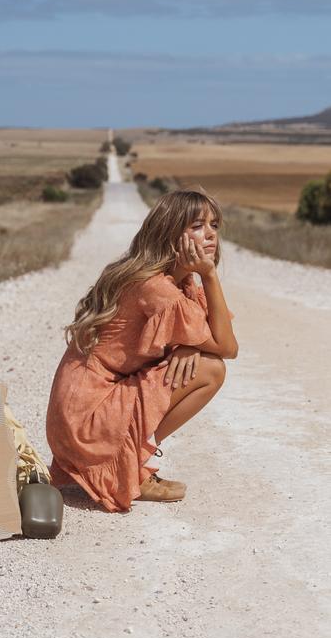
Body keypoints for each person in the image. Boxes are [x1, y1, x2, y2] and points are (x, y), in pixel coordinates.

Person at [45, 189, 238, 513]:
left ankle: (131, 460)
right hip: (86, 420)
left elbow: (218, 337)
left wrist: (187, 342)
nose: (210, 235)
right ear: (170, 231)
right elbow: (227, 348)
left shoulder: (175, 282)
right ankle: (133, 468)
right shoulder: (155, 287)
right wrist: (210, 275)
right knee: (211, 370)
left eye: (214, 225)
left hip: (75, 418)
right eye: (196, 225)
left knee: (204, 359)